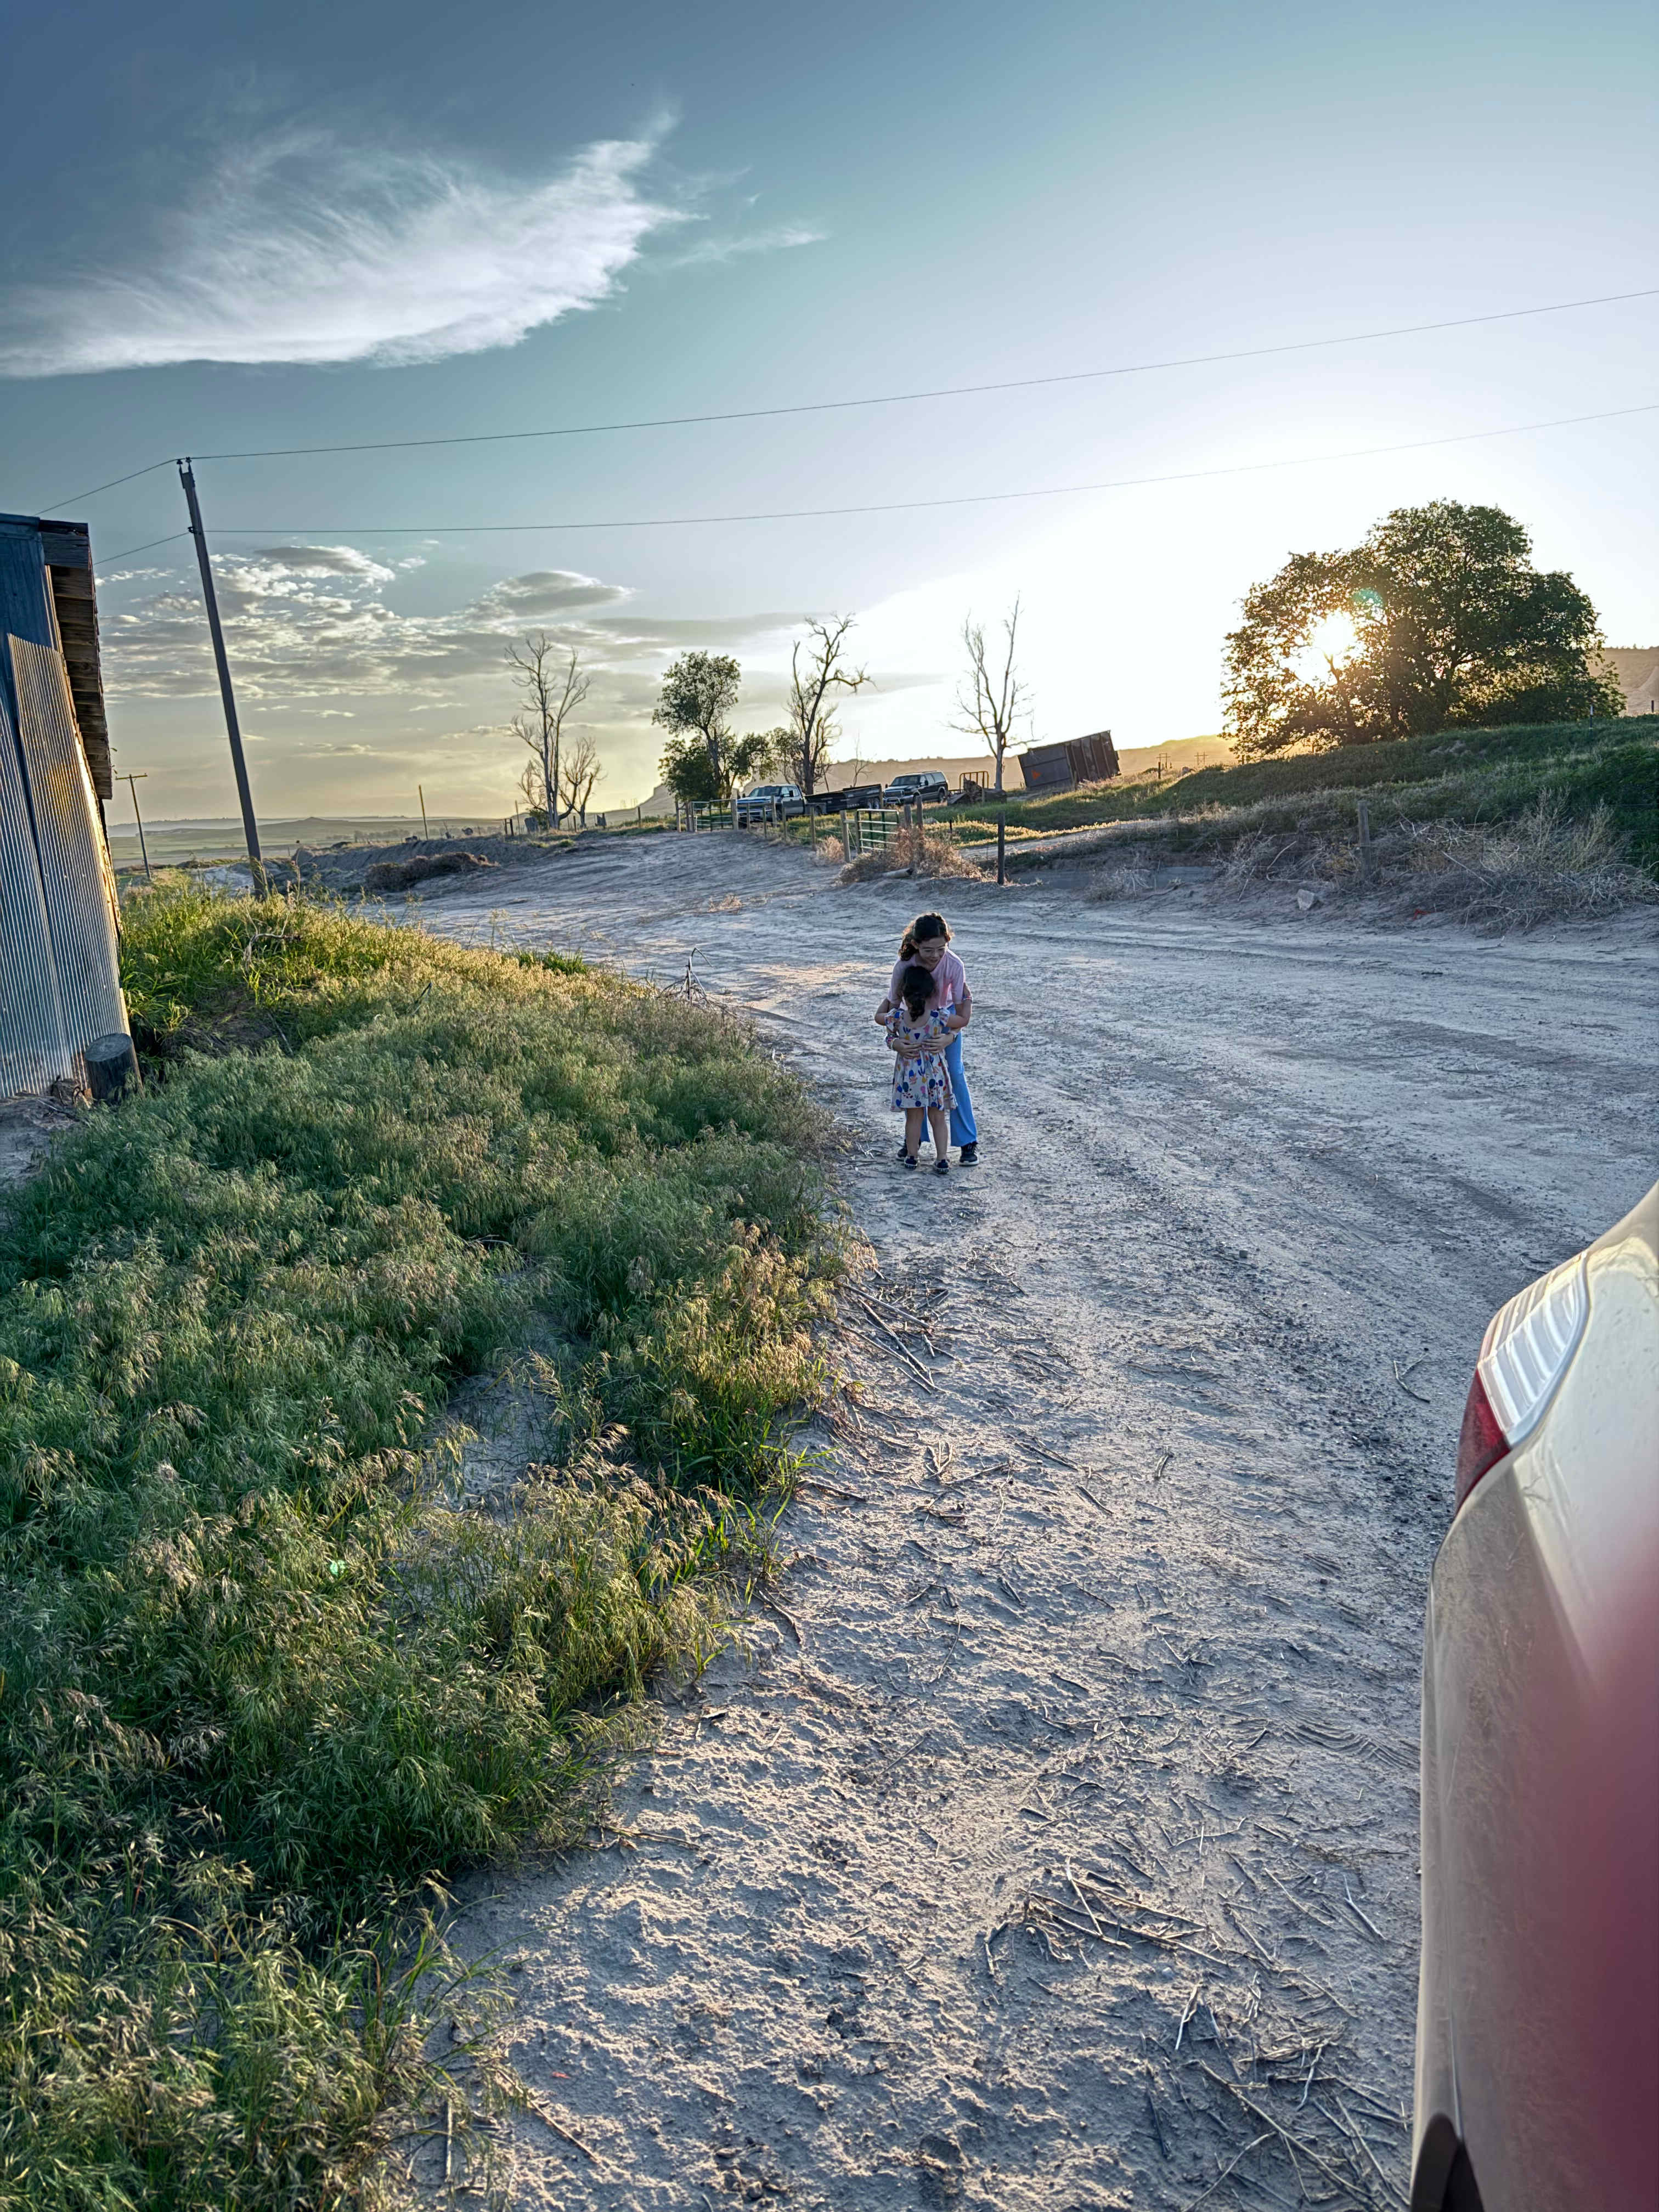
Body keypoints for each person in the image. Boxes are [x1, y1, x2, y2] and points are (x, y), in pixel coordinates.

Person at [874, 911, 978, 1164]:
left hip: (945, 1018)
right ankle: (914, 1142)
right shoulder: (904, 966)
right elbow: (892, 1007)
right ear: (916, 944)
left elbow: (961, 1007)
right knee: (914, 1077)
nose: (935, 956)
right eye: (929, 950)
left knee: (954, 1072)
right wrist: (895, 1042)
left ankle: (967, 1142)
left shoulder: (955, 965)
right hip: (914, 1018)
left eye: (941, 949)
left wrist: (950, 1038)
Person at [884, 961, 963, 1173]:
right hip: (934, 1074)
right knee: (938, 1117)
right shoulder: (939, 1018)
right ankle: (942, 1159)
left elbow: (878, 1018)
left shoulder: (898, 1018)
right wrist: (968, 999)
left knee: (914, 1119)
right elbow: (963, 1020)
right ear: (932, 995)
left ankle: (912, 1157)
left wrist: (892, 998)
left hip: (910, 1076)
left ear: (905, 995)